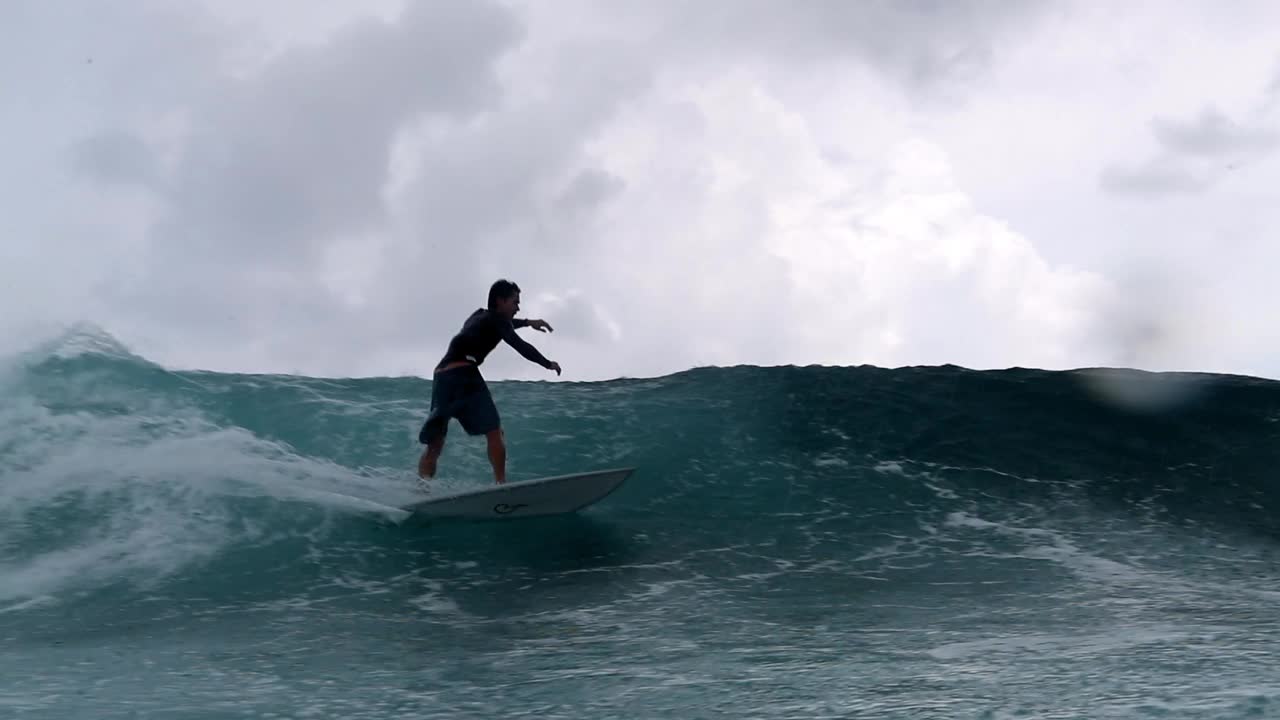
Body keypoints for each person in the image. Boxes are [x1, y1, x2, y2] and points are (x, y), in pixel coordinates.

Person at [417, 279, 561, 484]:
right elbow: (518, 344)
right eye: (514, 302)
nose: (518, 308)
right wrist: (547, 363)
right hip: (463, 374)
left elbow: (504, 325)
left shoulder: (479, 316)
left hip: (442, 376)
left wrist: (528, 323)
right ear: (500, 301)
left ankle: (421, 488)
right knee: (495, 432)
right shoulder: (498, 321)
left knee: (435, 443)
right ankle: (501, 485)